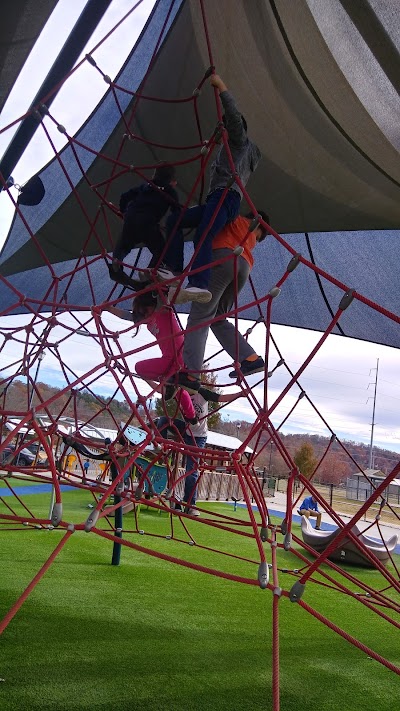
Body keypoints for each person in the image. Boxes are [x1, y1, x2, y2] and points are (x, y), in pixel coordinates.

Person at [163, 74, 261, 304]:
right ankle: (175, 270)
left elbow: (234, 120)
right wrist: (217, 139)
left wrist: (222, 87)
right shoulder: (230, 152)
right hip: (217, 198)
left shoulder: (239, 142)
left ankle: (199, 284)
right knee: (174, 220)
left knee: (203, 235)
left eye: (226, 129)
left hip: (226, 197)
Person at [168, 211, 269, 392]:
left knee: (200, 317)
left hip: (223, 256)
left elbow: (212, 217)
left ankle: (191, 374)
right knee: (219, 317)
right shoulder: (251, 238)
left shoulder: (236, 219)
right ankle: (251, 358)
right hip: (244, 267)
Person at [104, 292, 197, 423]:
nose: (145, 314)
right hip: (171, 361)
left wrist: (152, 284)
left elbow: (162, 293)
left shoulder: (163, 310)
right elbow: (129, 316)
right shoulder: (148, 318)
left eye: (146, 310)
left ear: (152, 304)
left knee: (139, 367)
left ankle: (167, 386)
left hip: (177, 358)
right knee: (178, 388)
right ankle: (191, 416)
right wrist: (110, 309)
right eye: (143, 312)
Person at [155, 386, 248, 515]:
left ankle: (190, 504)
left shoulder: (202, 392)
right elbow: (160, 388)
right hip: (186, 429)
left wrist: (240, 394)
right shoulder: (178, 391)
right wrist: (145, 377)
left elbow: (221, 398)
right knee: (163, 420)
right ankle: (162, 447)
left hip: (199, 437)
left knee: (191, 469)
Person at [110, 163, 179, 283]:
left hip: (131, 219)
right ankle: (150, 271)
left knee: (124, 245)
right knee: (161, 251)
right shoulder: (169, 191)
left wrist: (123, 212)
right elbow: (177, 212)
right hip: (148, 223)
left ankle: (116, 265)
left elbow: (124, 196)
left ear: (154, 174)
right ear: (171, 180)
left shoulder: (146, 186)